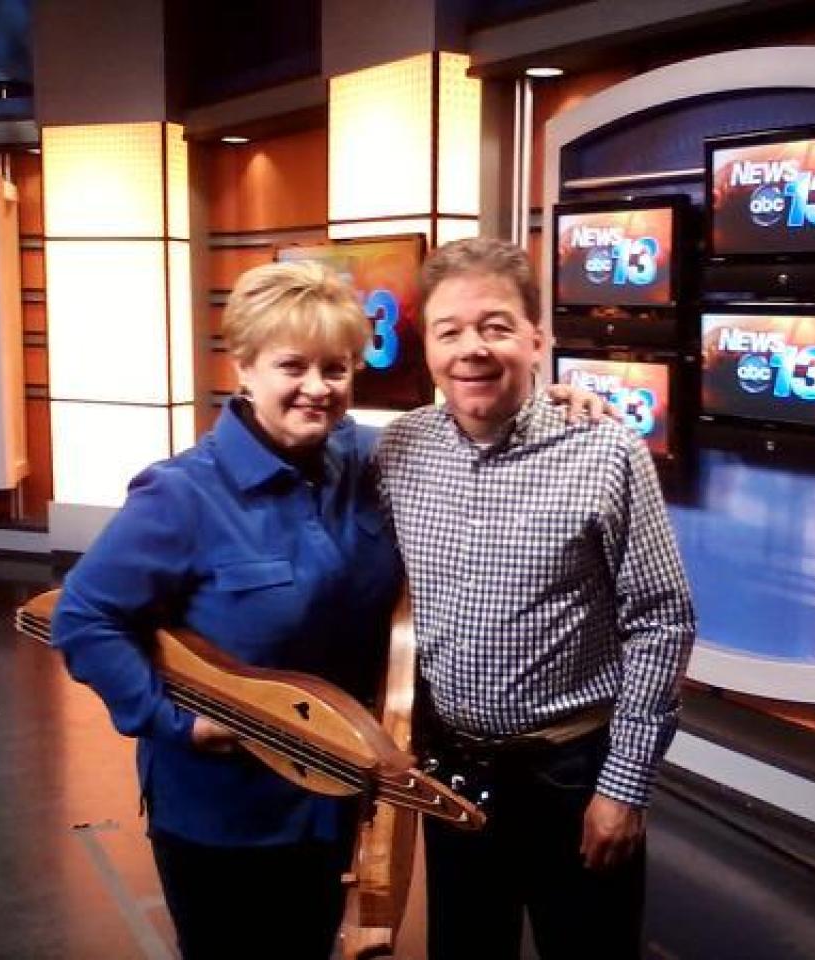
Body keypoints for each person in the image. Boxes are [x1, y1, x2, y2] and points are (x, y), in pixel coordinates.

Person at [51, 261, 403, 959]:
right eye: (292, 366)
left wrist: (557, 404)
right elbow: (84, 617)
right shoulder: (181, 494)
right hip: (223, 816)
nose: (317, 388)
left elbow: (466, 425)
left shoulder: (368, 459)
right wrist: (173, 723)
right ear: (243, 367)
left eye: (335, 369)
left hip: (331, 803)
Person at [376, 238, 696, 960]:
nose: (472, 349)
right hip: (451, 777)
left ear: (536, 340)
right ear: (427, 348)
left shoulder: (606, 451)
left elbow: (662, 621)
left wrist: (624, 788)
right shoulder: (398, 451)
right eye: (449, 331)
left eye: (495, 327)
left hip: (574, 776)